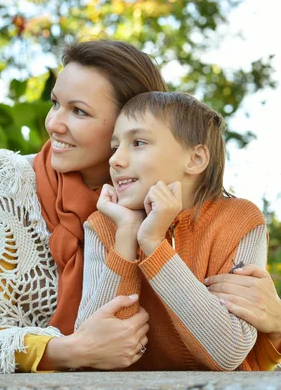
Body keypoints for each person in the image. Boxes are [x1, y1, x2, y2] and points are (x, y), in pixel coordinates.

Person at [0, 39, 281, 374]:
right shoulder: (12, 185)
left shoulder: (183, 207)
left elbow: (231, 347)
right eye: (55, 103)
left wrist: (276, 322)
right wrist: (71, 350)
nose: (54, 124)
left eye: (79, 111)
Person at [75, 91, 275, 371]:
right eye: (115, 147)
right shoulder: (105, 225)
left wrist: (154, 245)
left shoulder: (240, 220)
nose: (115, 160)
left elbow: (228, 351)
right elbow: (91, 352)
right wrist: (127, 236)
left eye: (138, 142)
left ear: (195, 159)